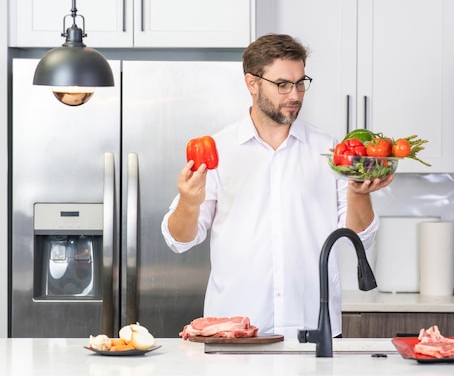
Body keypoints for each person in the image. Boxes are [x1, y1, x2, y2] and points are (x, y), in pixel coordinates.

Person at [161, 33, 393, 339]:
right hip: (235, 332)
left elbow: (361, 236)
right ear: (252, 84)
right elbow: (179, 239)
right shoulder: (219, 149)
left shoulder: (329, 151)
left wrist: (358, 193)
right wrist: (189, 202)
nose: (294, 95)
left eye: (300, 83)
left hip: (312, 328)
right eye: (282, 84)